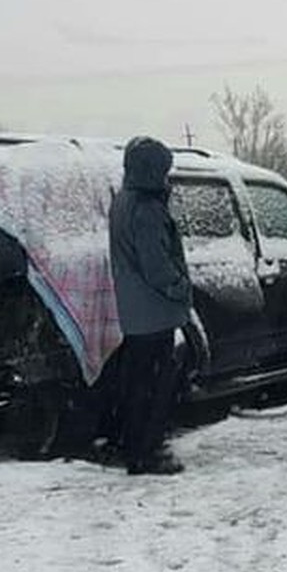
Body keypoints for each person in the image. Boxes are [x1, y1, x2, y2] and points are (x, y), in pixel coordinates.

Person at [108, 136, 193, 476]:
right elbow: (157, 266)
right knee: (154, 386)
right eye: (163, 171)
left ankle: (129, 443)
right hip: (153, 312)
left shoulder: (122, 201)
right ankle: (146, 452)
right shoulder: (147, 209)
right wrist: (182, 288)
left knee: (134, 382)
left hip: (133, 311)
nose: (167, 178)